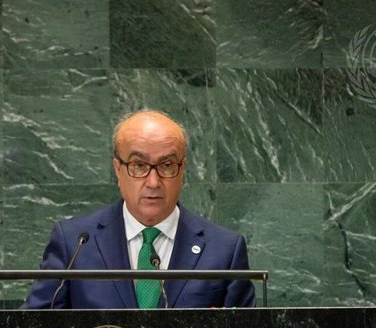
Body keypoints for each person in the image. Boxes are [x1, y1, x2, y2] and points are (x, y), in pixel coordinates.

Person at [22, 110, 255, 309]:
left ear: (182, 169)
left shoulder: (224, 251)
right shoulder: (74, 243)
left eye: (166, 165)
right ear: (118, 169)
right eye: (138, 166)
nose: (153, 182)